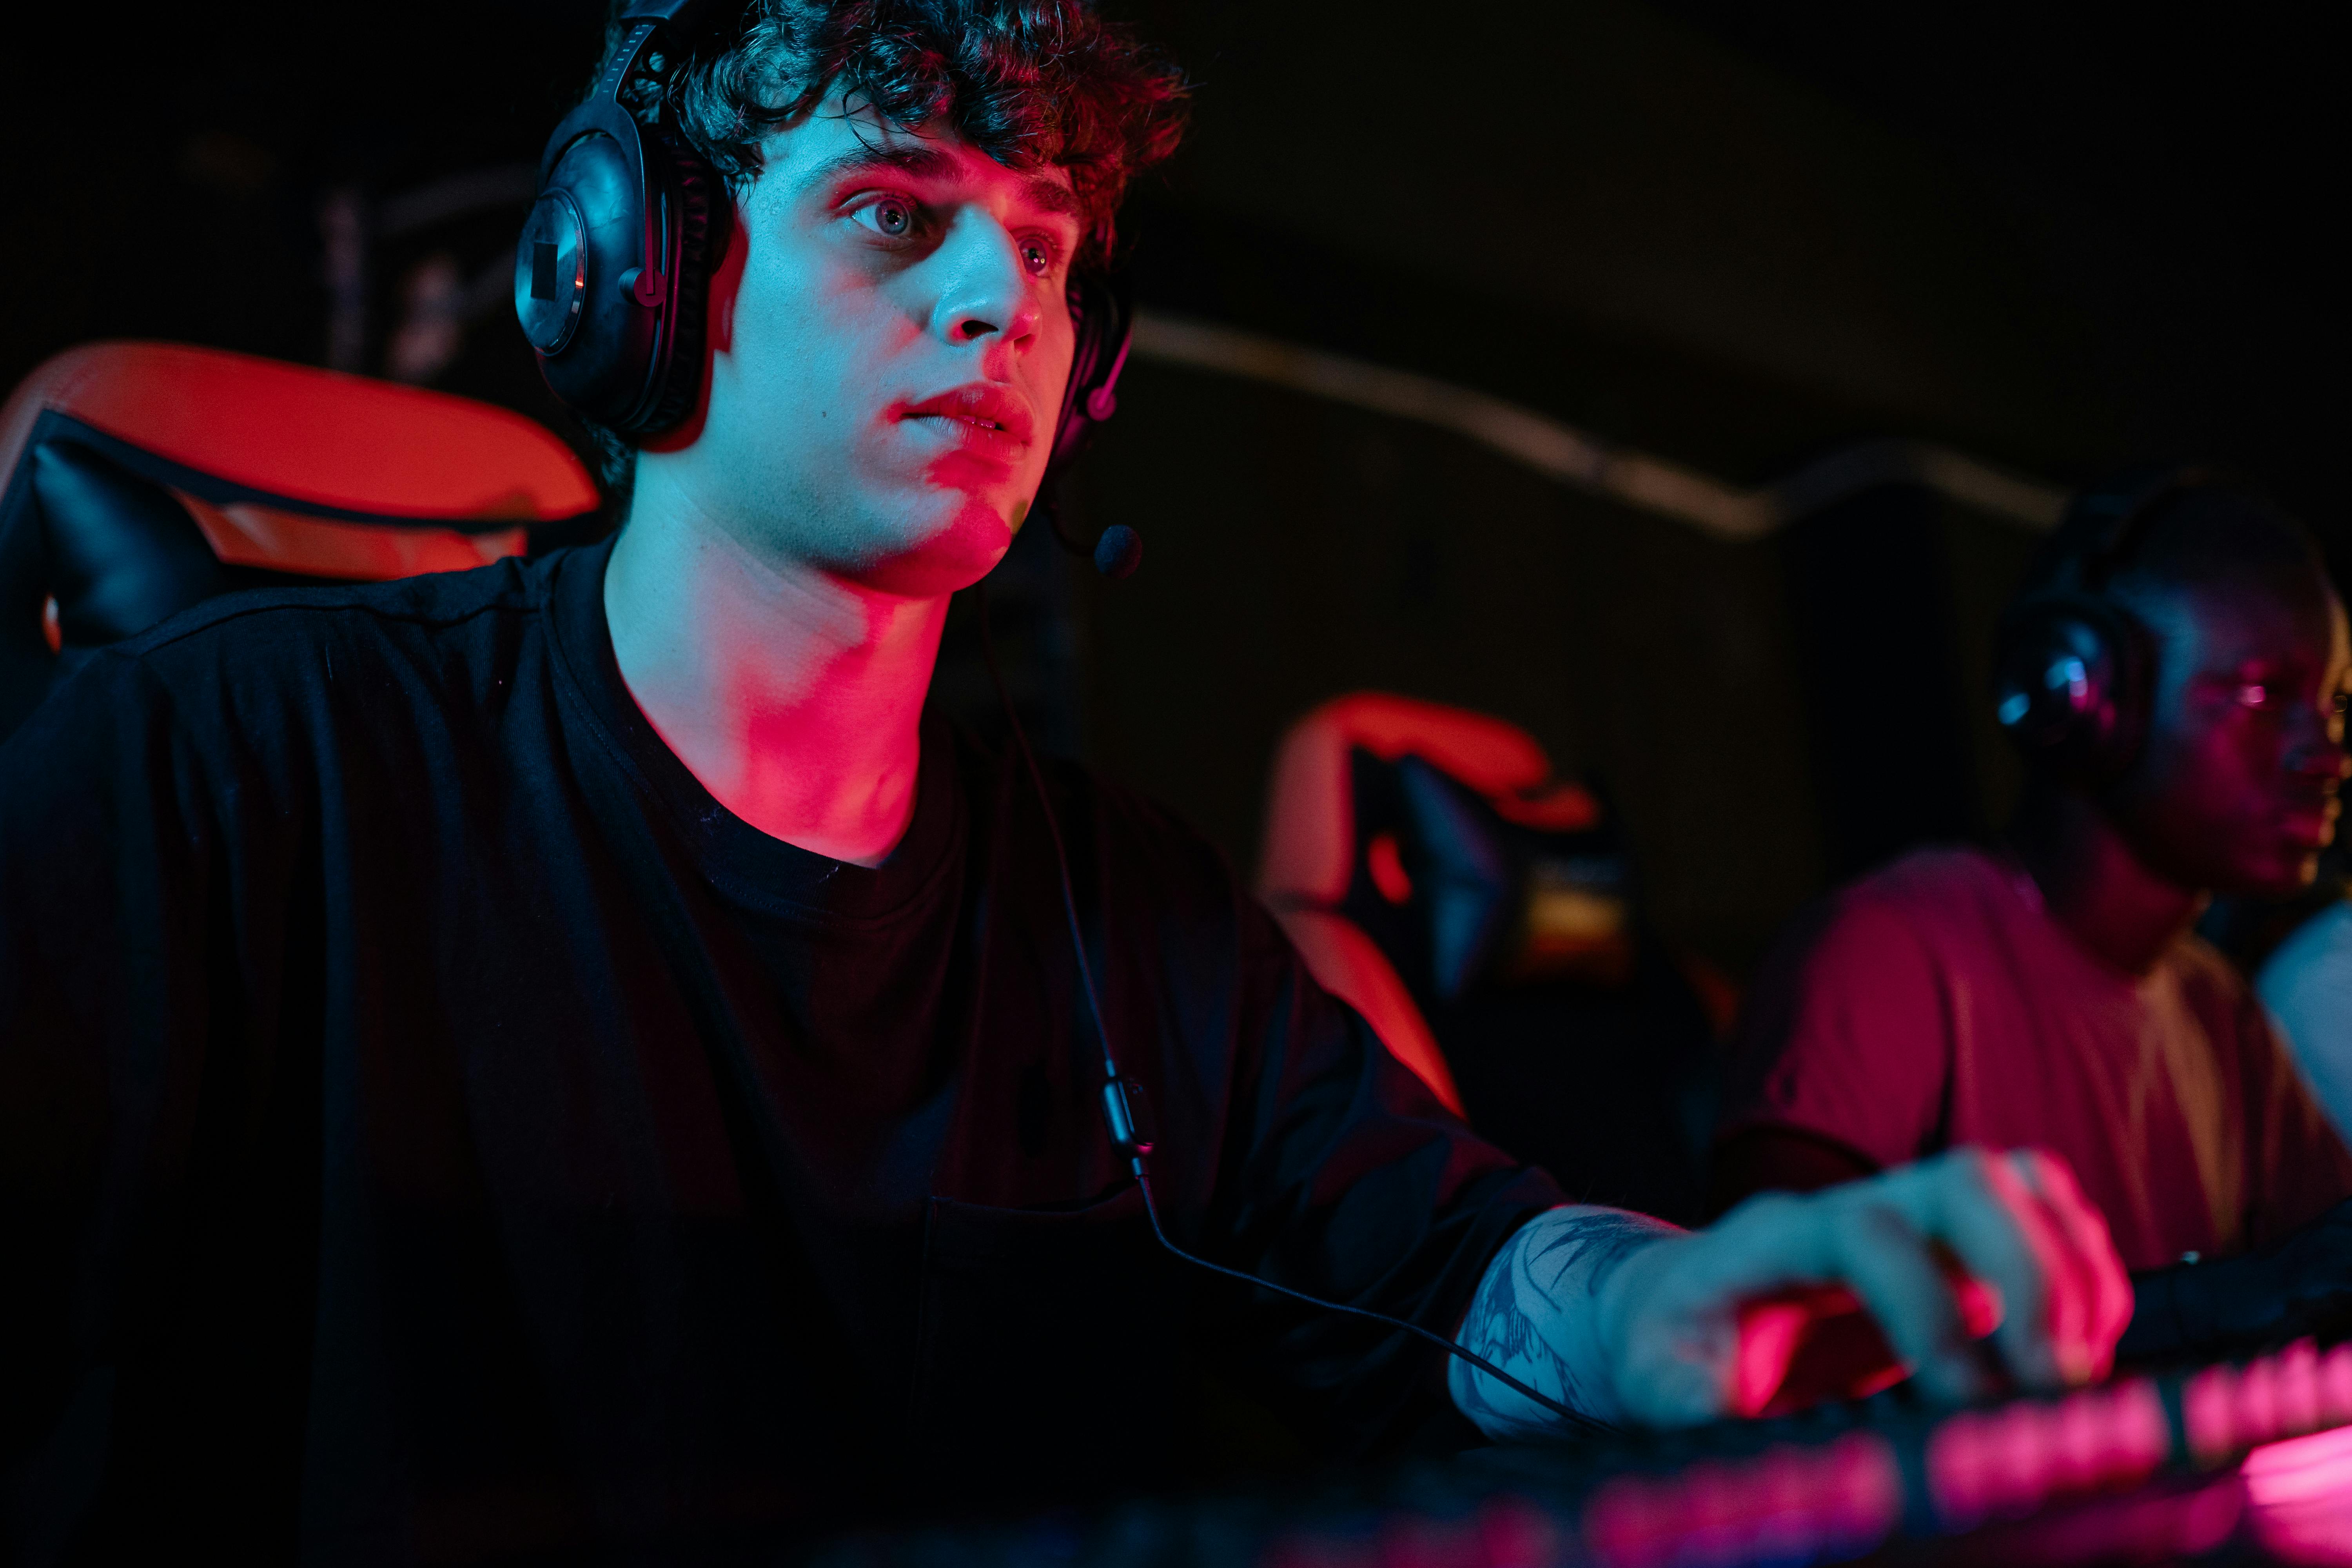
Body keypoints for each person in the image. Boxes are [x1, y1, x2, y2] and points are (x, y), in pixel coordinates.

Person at [0, 1, 2126, 1558]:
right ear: (642, 285)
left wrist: (1679, 1296)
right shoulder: (230, 761)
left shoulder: (1125, 911)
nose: (996, 299)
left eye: (1041, 242)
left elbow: (1454, 1276)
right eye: (892, 214)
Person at [1713, 476, 2352, 1290]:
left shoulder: (2221, 1014)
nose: (2327, 755)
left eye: (2334, 707)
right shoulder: (1887, 950)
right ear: (2081, 694)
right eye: (2265, 693)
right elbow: (1774, 1315)